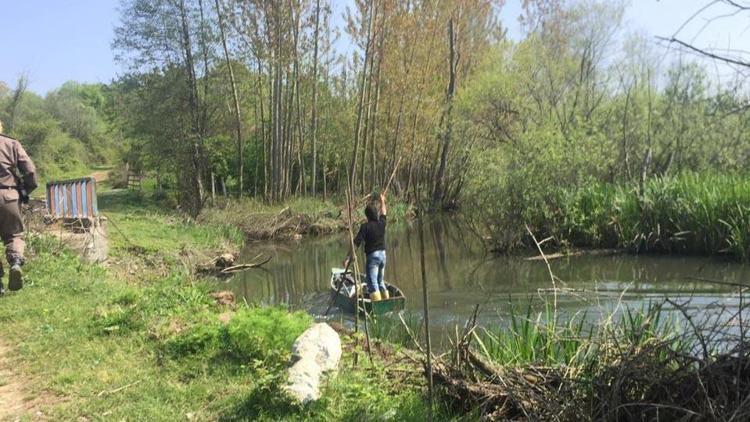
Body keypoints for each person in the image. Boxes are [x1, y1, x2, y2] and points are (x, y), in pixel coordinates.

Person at [0, 120, 37, 294]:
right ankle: (15, 264)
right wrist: (24, 190)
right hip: (9, 197)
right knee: (14, 235)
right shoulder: (12, 144)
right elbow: (30, 171)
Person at [343, 193, 389, 301]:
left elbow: (356, 243)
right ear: (375, 214)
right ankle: (387, 302)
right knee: (380, 281)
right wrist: (382, 201)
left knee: (372, 283)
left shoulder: (365, 227)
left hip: (373, 257)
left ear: (367, 216)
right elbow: (384, 212)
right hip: (383, 255)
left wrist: (347, 258)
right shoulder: (381, 223)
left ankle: (378, 306)